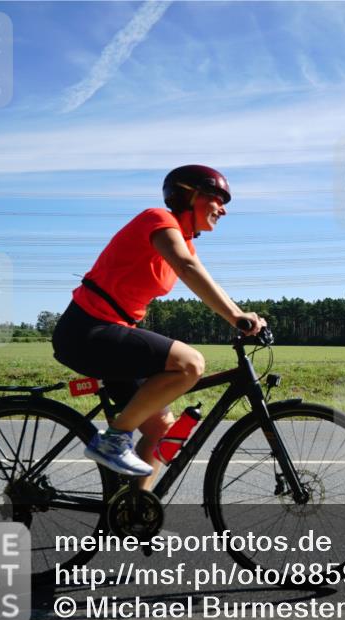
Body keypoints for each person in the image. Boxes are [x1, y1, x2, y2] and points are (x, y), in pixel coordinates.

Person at [51, 165, 266, 485]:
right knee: (190, 364)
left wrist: (241, 314)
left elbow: (200, 274)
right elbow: (187, 267)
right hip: (87, 331)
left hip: (112, 334)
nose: (223, 209)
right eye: (216, 198)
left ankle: (134, 514)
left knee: (160, 429)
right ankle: (114, 440)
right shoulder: (157, 219)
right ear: (188, 195)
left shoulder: (184, 242)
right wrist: (236, 317)